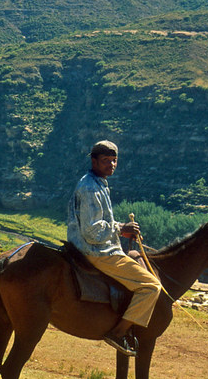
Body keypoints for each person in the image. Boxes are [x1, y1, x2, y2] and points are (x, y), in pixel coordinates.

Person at [67, 140, 161, 356]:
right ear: (93, 161)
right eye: (105, 161)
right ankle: (118, 332)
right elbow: (92, 230)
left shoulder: (96, 182)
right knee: (151, 286)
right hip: (96, 251)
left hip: (92, 245)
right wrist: (120, 229)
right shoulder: (91, 188)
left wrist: (121, 229)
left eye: (113, 160)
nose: (111, 165)